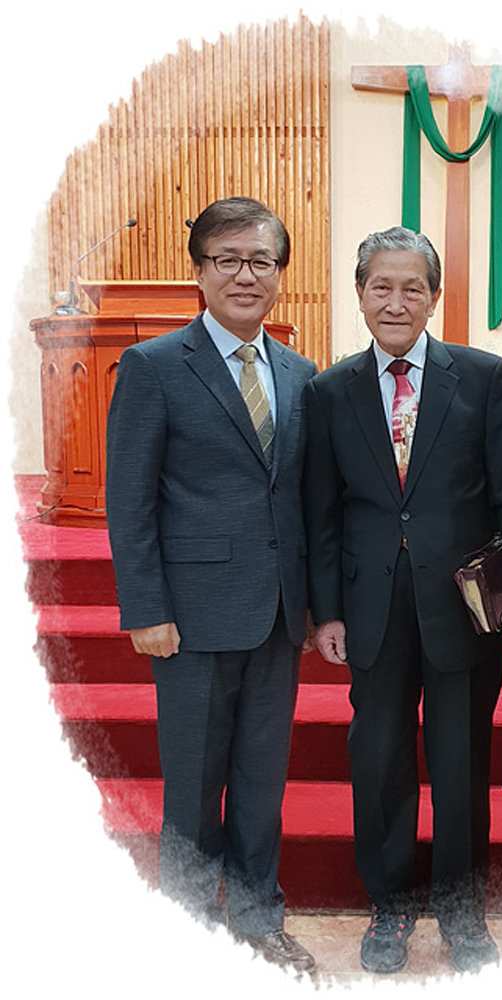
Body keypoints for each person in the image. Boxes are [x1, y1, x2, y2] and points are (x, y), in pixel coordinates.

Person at [303, 226, 502, 974]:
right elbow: (322, 512)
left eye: (413, 288)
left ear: (434, 297)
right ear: (359, 293)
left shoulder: (480, 376)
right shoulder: (329, 390)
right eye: (381, 286)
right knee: (378, 761)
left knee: (461, 761)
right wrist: (325, 611)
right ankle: (391, 907)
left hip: (462, 608)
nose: (396, 301)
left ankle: (463, 912)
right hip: (370, 609)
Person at [105, 196, 318, 974]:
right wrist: (146, 608)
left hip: (276, 616)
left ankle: (258, 920)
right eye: (227, 259)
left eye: (260, 260)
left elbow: (301, 498)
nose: (244, 275)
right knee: (194, 788)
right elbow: (128, 499)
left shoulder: (299, 373)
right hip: (191, 618)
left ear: (279, 274)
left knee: (262, 784)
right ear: (198, 271)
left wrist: (312, 605)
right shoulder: (155, 365)